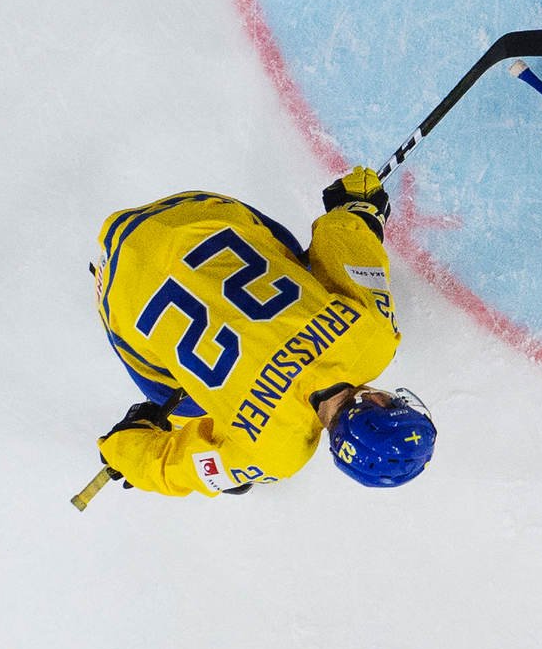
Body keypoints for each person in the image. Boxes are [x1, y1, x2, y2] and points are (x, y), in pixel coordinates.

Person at [90, 166, 436, 497]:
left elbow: (341, 239)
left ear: (378, 401)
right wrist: (123, 447)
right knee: (186, 410)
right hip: (120, 287)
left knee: (304, 267)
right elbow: (168, 466)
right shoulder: (272, 455)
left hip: (190, 214)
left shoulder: (374, 340)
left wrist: (359, 209)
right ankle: (221, 464)